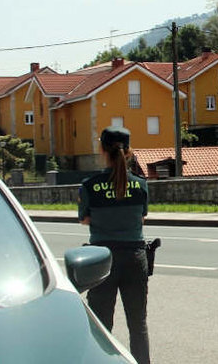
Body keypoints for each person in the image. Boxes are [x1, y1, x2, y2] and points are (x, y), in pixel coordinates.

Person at [78, 126, 151, 364]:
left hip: (102, 261)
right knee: (138, 324)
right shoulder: (140, 184)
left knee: (101, 325)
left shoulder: (89, 185)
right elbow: (141, 217)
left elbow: (85, 219)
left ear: (102, 149)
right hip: (135, 258)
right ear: (129, 151)